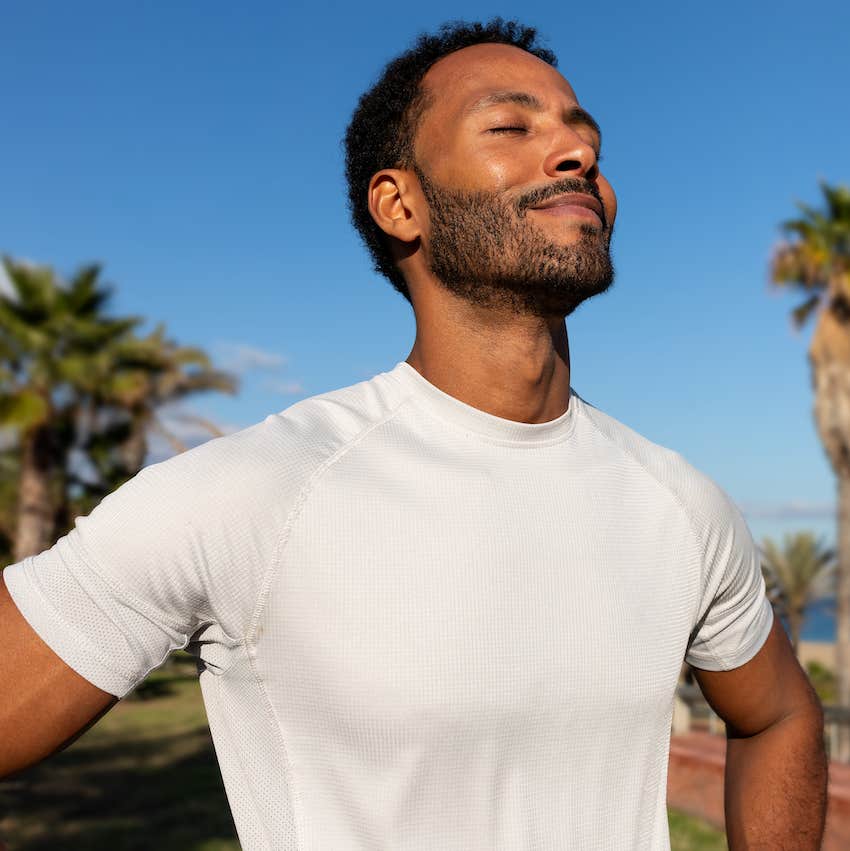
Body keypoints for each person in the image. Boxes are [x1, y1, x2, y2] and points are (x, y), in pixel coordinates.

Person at [0, 18, 828, 851]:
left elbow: (781, 713)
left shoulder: (681, 504)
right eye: (511, 128)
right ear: (401, 204)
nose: (577, 156)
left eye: (588, 143)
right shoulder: (253, 493)